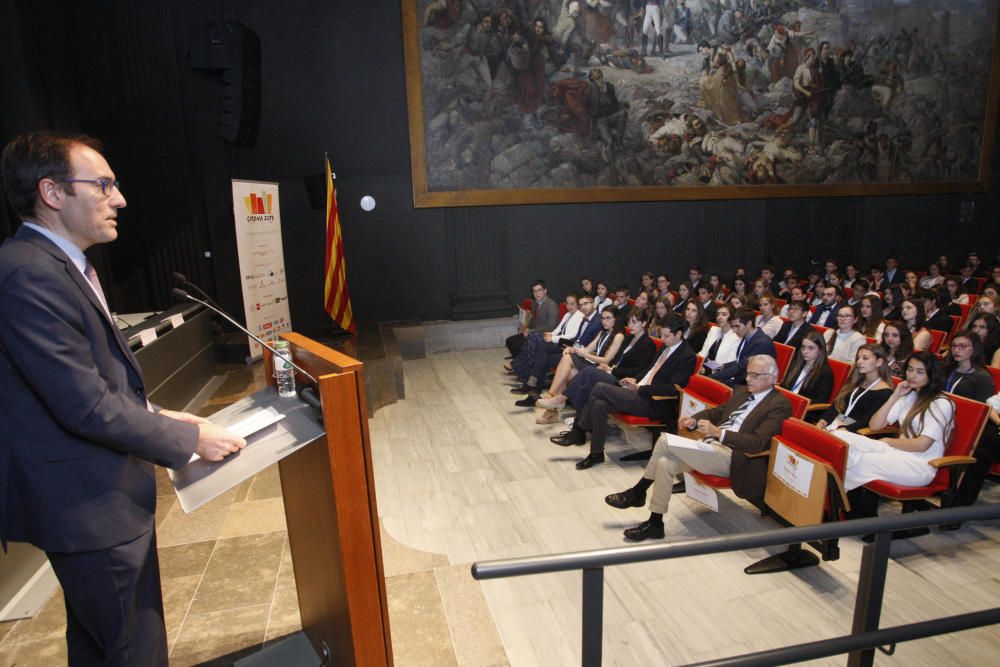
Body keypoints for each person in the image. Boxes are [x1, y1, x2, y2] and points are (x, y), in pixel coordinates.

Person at [0, 132, 247, 665]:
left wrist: (157, 413)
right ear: (52, 191)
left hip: (91, 500)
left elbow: (89, 380)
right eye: (104, 184)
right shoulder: (28, 273)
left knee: (100, 645)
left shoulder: (55, 264)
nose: (120, 199)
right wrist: (190, 439)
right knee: (134, 649)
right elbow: (83, 404)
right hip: (86, 503)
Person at [604, 355, 792, 540]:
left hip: (735, 457)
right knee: (665, 463)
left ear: (772, 378)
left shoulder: (779, 405)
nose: (748, 378)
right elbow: (718, 411)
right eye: (748, 373)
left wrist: (719, 433)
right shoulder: (743, 391)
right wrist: (694, 418)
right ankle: (655, 523)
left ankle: (637, 492)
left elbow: (757, 443)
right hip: (711, 446)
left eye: (755, 375)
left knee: (663, 440)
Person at [550, 313, 697, 469]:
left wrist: (641, 388)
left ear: (679, 334)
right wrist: (635, 380)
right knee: (599, 404)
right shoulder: (665, 345)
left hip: (654, 401)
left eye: (666, 336)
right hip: (638, 391)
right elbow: (649, 369)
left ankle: (578, 426)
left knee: (599, 387)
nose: (663, 338)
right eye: (662, 335)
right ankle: (596, 453)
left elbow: (672, 388)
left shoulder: (687, 356)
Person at [832, 352, 955, 516]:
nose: (912, 375)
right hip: (895, 453)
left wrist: (889, 441)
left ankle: (847, 511)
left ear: (932, 375)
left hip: (918, 465)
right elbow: (875, 425)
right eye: (910, 370)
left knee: (858, 459)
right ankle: (846, 508)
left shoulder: (941, 403)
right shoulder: (909, 395)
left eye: (920, 372)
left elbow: (922, 444)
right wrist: (895, 396)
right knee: (838, 436)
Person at [542, 308, 656, 416]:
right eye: (629, 322)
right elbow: (614, 359)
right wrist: (577, 351)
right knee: (572, 371)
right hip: (610, 371)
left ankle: (559, 399)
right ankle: (561, 411)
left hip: (621, 379)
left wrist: (611, 369)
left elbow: (636, 370)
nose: (630, 325)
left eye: (634, 322)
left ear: (644, 323)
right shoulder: (629, 338)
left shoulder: (647, 344)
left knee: (586, 372)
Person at [535, 307, 625, 424]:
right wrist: (574, 349)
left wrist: (585, 355)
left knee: (568, 362)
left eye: (608, 318)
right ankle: (553, 407)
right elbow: (588, 348)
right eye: (602, 318)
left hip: (603, 370)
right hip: (594, 364)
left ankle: (551, 397)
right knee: (569, 365)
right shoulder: (602, 332)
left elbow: (606, 360)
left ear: (616, 319)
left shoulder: (619, 336)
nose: (604, 321)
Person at [816, 344, 894, 433]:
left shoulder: (885, 392)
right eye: (858, 358)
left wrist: (843, 430)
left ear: (879, 362)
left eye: (865, 358)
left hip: (854, 433)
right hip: (835, 427)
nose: (859, 362)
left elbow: (866, 421)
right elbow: (836, 405)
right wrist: (823, 421)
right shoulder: (856, 381)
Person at [708, 307, 776, 386]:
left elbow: (741, 367)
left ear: (749, 324)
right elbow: (741, 360)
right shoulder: (747, 336)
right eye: (733, 327)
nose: (734, 330)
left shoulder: (762, 343)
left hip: (753, 385)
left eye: (737, 326)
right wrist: (723, 366)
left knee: (712, 383)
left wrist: (711, 377)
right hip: (742, 379)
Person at [506, 280, 559, 356]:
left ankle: (522, 362)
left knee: (516, 345)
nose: (537, 293)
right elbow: (532, 319)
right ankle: (519, 359)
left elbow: (552, 326)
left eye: (539, 290)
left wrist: (532, 331)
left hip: (543, 334)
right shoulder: (534, 303)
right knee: (509, 341)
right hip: (533, 332)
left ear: (545, 291)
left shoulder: (551, 305)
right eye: (534, 291)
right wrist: (527, 329)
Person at [781, 331, 834, 404]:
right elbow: (783, 386)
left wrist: (799, 402)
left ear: (820, 350)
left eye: (811, 348)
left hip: (805, 409)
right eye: (803, 347)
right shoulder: (795, 364)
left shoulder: (826, 373)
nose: (805, 351)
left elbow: (821, 401)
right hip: (784, 403)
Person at [698, 303, 740, 369]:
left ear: (731, 317)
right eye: (718, 314)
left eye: (724, 314)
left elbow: (729, 365)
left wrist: (706, 367)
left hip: (719, 373)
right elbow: (703, 353)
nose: (720, 317)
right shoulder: (714, 330)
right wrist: (699, 365)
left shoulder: (736, 337)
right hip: (704, 367)